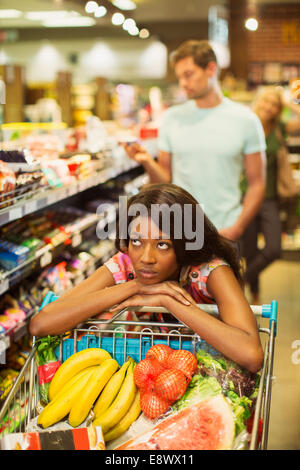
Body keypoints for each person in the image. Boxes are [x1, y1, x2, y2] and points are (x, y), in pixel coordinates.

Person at [30, 183, 263, 373]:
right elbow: (41, 323)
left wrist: (170, 301)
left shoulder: (210, 271)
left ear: (183, 245)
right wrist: (132, 287)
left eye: (163, 244)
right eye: (137, 241)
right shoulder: (126, 264)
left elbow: (252, 356)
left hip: (213, 375)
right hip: (157, 375)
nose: (146, 258)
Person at [122, 40, 266, 242]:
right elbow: (164, 179)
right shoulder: (172, 118)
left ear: (211, 69)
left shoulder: (246, 120)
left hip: (225, 231)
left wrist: (238, 227)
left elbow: (257, 184)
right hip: (180, 230)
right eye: (180, 76)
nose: (182, 83)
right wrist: (146, 160)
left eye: (188, 74)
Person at [241, 86, 300, 304]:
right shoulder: (245, 125)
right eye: (266, 101)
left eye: (274, 105)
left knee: (274, 248)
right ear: (257, 101)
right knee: (249, 249)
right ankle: (254, 298)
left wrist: (286, 102)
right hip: (244, 196)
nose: (269, 107)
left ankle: (241, 281)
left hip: (269, 198)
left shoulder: (278, 128)